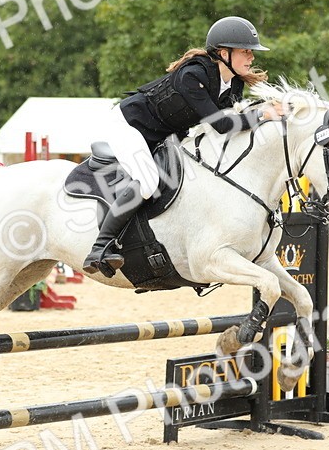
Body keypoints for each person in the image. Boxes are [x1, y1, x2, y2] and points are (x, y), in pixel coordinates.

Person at [82, 16, 283, 275]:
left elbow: (225, 128)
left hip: (163, 133)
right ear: (224, 53)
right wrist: (264, 115)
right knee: (147, 182)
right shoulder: (193, 75)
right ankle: (99, 249)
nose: (251, 57)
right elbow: (220, 125)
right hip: (130, 126)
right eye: (245, 51)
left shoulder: (233, 84)